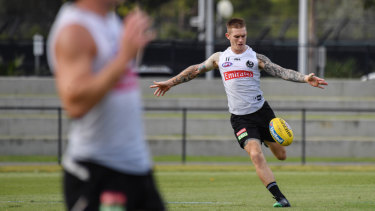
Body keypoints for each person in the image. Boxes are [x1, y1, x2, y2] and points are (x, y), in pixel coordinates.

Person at [150, 18, 328, 208]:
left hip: (263, 113)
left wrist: (305, 78)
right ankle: (280, 198)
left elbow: (280, 71)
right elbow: (195, 70)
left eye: (243, 36)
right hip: (241, 119)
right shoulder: (219, 58)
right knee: (255, 154)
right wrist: (170, 82)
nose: (241, 40)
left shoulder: (255, 57)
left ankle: (267, 139)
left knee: (281, 155)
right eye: (237, 36)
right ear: (228, 36)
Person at [47, 0, 165, 210]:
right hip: (97, 173)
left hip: (137, 168)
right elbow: (75, 104)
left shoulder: (110, 20)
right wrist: (123, 57)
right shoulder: (74, 30)